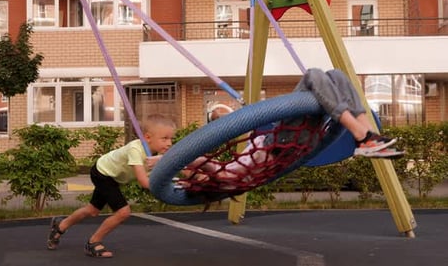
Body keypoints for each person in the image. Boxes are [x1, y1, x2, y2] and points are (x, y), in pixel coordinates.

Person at [185, 68, 404, 182]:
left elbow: (198, 162)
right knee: (313, 76)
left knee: (337, 75)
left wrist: (171, 161)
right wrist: (171, 160)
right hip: (280, 146)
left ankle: (368, 135)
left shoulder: (221, 174)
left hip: (292, 142)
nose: (200, 172)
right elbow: (201, 161)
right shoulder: (222, 179)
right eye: (197, 175)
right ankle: (361, 135)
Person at [47, 114, 176, 258]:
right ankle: (93, 242)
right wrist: (170, 186)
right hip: (102, 172)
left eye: (171, 139)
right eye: (164, 138)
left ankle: (60, 225)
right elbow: (144, 182)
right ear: (147, 137)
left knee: (92, 210)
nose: (169, 143)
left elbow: (179, 166)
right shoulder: (136, 149)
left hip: (114, 178)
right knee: (123, 212)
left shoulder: (157, 154)